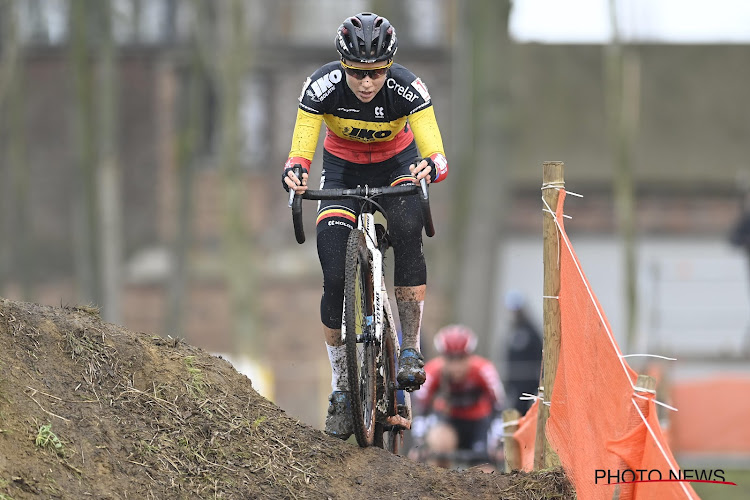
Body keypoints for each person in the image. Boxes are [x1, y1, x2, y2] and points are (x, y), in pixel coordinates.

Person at [281, 12, 449, 439]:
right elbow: (299, 151)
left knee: (409, 229)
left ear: (388, 67)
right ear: (343, 65)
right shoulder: (320, 86)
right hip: (341, 172)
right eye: (356, 73)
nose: (366, 82)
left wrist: (428, 166)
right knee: (333, 272)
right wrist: (295, 172)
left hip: (397, 165)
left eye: (375, 73)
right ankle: (341, 388)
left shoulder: (408, 87)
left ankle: (409, 348)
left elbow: (437, 153)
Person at [410, 325, 505, 467]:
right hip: (449, 421)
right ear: (442, 357)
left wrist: (498, 442)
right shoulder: (432, 371)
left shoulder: (484, 370)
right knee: (439, 446)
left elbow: (499, 409)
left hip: (479, 423)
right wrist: (420, 444)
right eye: (450, 358)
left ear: (470, 355)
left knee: (484, 470)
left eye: (461, 358)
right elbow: (420, 412)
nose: (456, 366)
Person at [503, 291, 543, 413]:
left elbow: (539, 354)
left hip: (528, 383)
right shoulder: (513, 331)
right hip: (514, 383)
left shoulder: (531, 331)